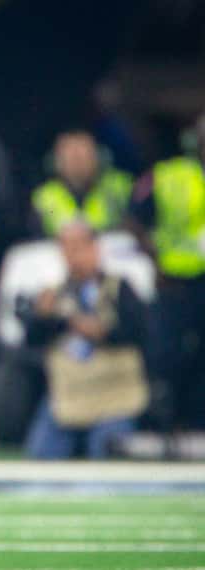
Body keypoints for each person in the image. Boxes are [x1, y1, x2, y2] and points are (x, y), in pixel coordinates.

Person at [22, 221, 149, 458]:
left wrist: (103, 331)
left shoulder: (120, 288)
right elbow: (30, 342)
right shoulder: (55, 293)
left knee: (107, 456)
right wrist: (40, 317)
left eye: (78, 247)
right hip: (67, 399)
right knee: (40, 456)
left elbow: (142, 332)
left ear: (95, 248)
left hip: (113, 398)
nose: (73, 257)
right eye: (66, 249)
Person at [129, 112, 205, 430]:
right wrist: (154, 259)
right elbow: (133, 219)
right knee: (167, 356)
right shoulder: (168, 174)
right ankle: (166, 427)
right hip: (174, 279)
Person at [31, 130, 132, 237]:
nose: (77, 165)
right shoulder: (43, 197)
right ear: (56, 162)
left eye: (84, 156)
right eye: (71, 158)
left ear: (99, 157)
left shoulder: (120, 186)